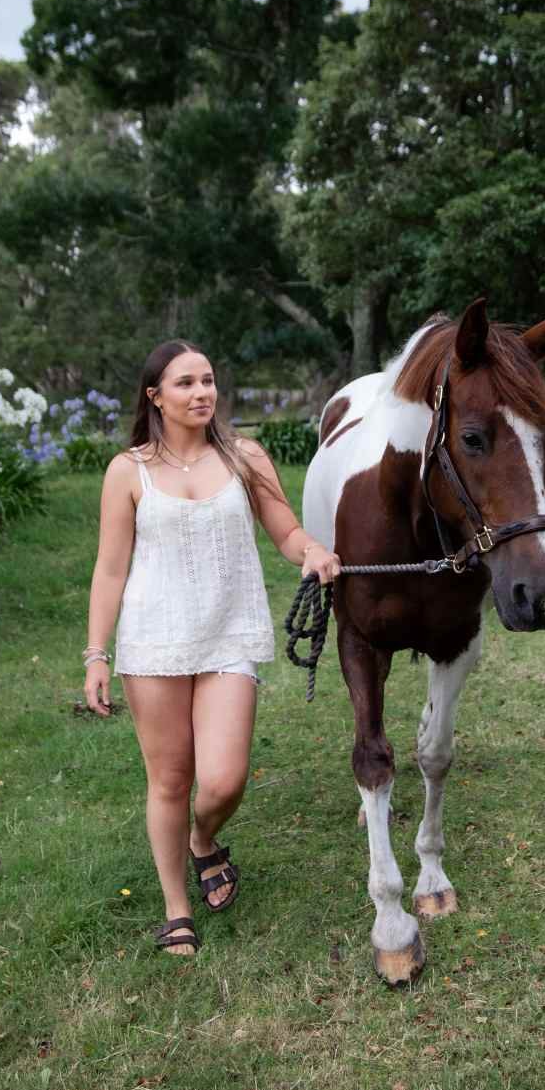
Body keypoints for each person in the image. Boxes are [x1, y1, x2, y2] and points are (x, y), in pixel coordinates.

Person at [83, 340, 340, 956]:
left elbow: (285, 529)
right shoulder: (129, 471)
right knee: (169, 779)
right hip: (155, 640)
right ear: (155, 397)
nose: (202, 393)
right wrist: (97, 652)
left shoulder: (245, 456)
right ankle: (177, 908)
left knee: (223, 781)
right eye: (185, 384)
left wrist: (313, 551)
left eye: (208, 380)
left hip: (228, 632)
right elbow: (111, 569)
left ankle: (204, 839)